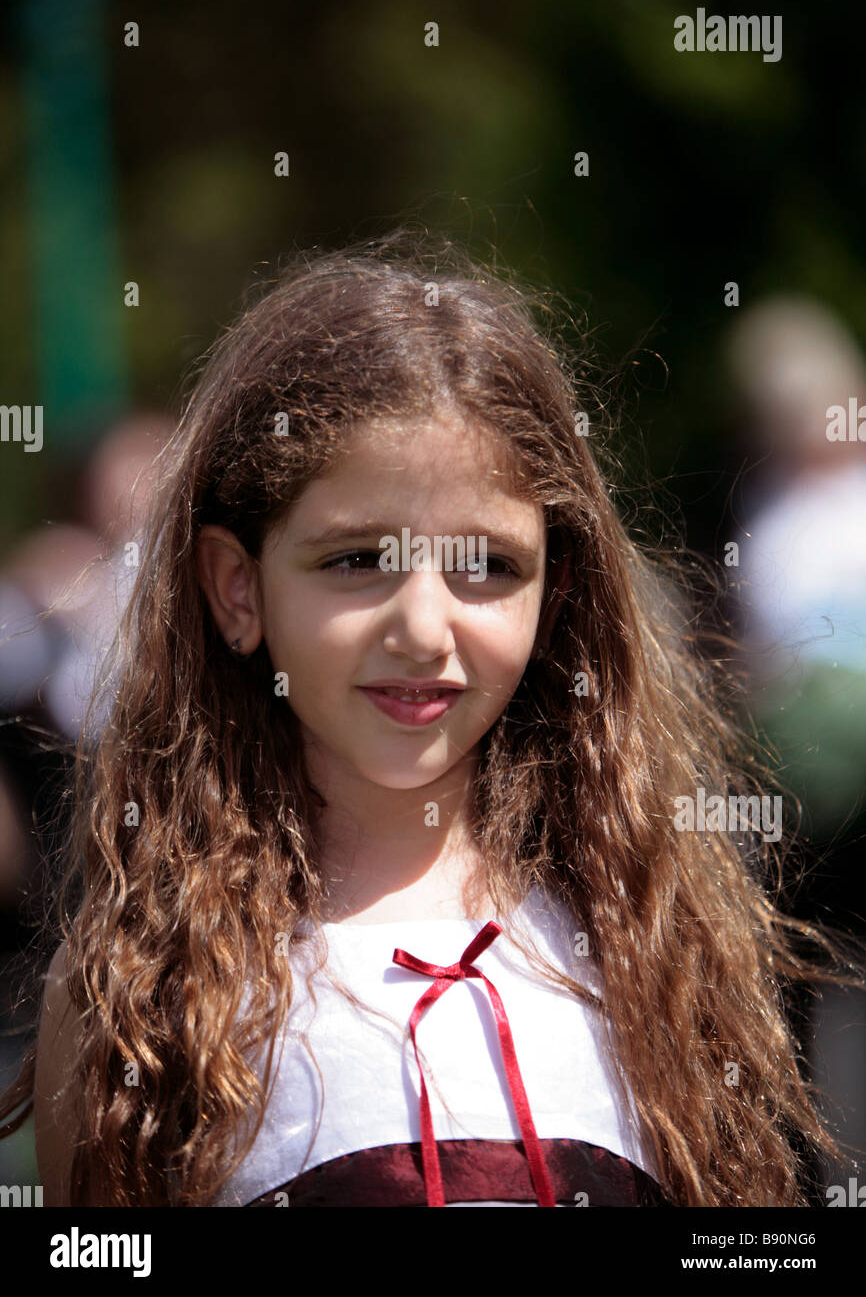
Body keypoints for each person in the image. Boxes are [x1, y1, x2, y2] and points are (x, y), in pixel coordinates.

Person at [0, 227, 862, 1207]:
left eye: (487, 565)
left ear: (556, 591)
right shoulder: (146, 988)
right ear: (237, 588)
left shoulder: (652, 941)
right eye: (356, 559)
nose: (422, 628)